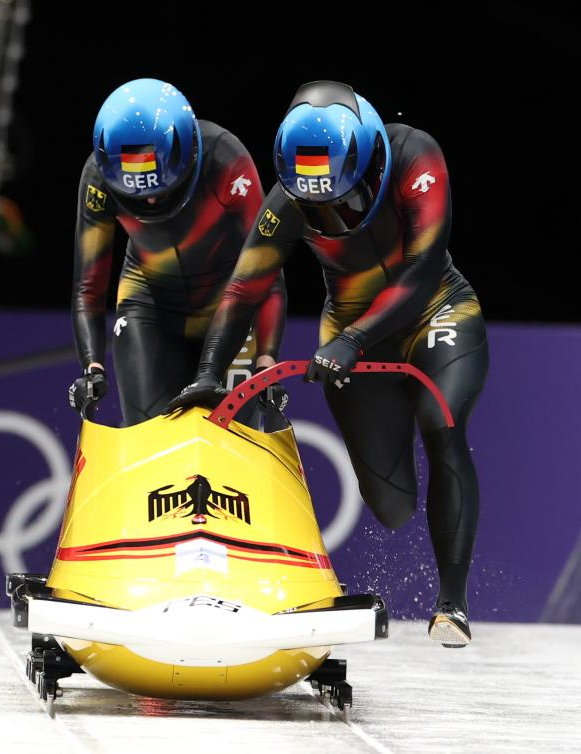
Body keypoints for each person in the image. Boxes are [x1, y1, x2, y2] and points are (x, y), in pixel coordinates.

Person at [168, 81, 489, 647]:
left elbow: (421, 269)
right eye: (315, 207)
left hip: (436, 309)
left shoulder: (416, 156)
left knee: (443, 425)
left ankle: (452, 603)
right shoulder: (288, 198)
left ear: (372, 164)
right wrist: (208, 375)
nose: (333, 215)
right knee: (391, 504)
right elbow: (244, 289)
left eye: (346, 202)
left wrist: (354, 340)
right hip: (349, 330)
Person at [68, 78, 287, 425]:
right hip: (148, 307)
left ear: (188, 155)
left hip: (229, 309)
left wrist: (266, 361)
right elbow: (88, 286)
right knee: (147, 438)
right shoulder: (97, 177)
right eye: (138, 194)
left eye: (162, 189)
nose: (151, 200)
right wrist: (92, 367)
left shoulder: (226, 160)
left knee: (230, 437)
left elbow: (266, 272)